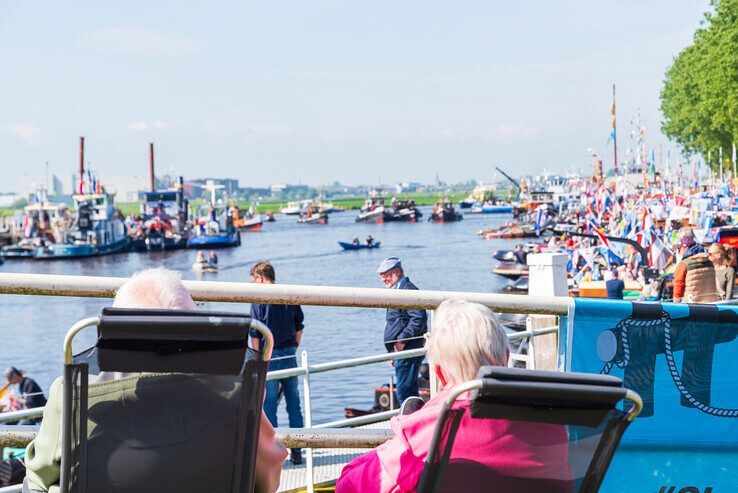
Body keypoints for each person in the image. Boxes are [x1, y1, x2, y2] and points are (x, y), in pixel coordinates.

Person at [23, 268, 287, 493]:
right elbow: (267, 480)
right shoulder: (237, 396)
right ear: (195, 330)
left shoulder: (75, 396)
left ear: (115, 335)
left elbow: (38, 479)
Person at [336, 299, 571, 492]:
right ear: (506, 356)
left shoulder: (433, 428)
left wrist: (411, 423)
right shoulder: (552, 423)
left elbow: (349, 486)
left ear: (438, 371)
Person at [249, 261, 306, 465]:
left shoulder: (259, 300)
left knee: (269, 406)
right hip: (289, 355)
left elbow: (255, 334)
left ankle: (273, 454)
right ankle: (298, 451)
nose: (252, 284)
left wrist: (257, 360)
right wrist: (294, 346)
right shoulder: (288, 295)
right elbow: (299, 325)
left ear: (261, 277)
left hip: (269, 356)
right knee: (294, 404)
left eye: (253, 280)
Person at [376, 257, 427, 405]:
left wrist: (400, 343)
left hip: (408, 349)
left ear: (397, 272)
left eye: (385, 275)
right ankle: (413, 423)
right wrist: (392, 350)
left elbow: (418, 319)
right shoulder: (397, 290)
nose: (382, 279)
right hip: (401, 351)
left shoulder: (408, 290)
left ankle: (410, 424)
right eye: (381, 275)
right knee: (407, 391)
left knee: (405, 392)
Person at [673, 236, 719, 303]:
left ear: (686, 248)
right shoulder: (709, 262)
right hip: (711, 303)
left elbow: (679, 286)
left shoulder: (683, 264)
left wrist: (676, 305)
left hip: (691, 306)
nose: (678, 252)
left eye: (679, 249)